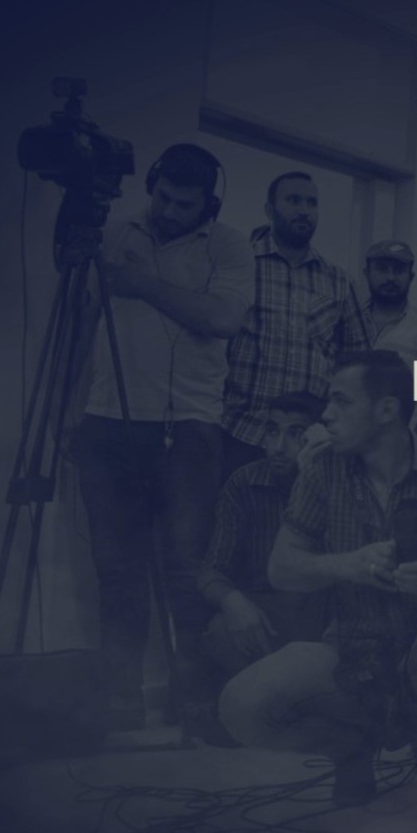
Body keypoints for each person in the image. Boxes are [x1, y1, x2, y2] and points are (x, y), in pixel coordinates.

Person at [219, 350, 417, 833]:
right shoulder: (322, 468)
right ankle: (353, 746)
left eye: (341, 401)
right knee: (242, 707)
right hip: (351, 650)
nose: (326, 415)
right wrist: (350, 565)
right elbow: (282, 569)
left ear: (386, 409)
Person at [70, 143, 253, 729]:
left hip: (189, 428)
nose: (170, 212)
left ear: (209, 204)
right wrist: (67, 413)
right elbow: (83, 323)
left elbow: (223, 319)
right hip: (106, 423)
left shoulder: (229, 245)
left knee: (185, 571)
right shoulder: (115, 232)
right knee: (116, 572)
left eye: (185, 204)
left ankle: (190, 699)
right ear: (151, 186)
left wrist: (143, 283)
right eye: (164, 198)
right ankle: (120, 700)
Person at [221, 171, 371, 479]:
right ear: (269, 209)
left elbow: (358, 362)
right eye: (293, 200)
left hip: (310, 442)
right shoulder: (241, 264)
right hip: (239, 433)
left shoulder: (338, 280)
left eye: (311, 203)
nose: (303, 210)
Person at [194, 391, 328, 681]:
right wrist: (232, 600)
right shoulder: (244, 483)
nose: (278, 447)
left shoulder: (336, 481)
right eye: (272, 431)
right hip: (267, 613)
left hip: (323, 613)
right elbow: (211, 569)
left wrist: (312, 472)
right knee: (221, 630)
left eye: (295, 434)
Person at [361, 239, 417, 366]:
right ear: (367, 274)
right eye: (382, 269)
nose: (390, 277)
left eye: (399, 270)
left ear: (410, 276)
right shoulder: (348, 321)